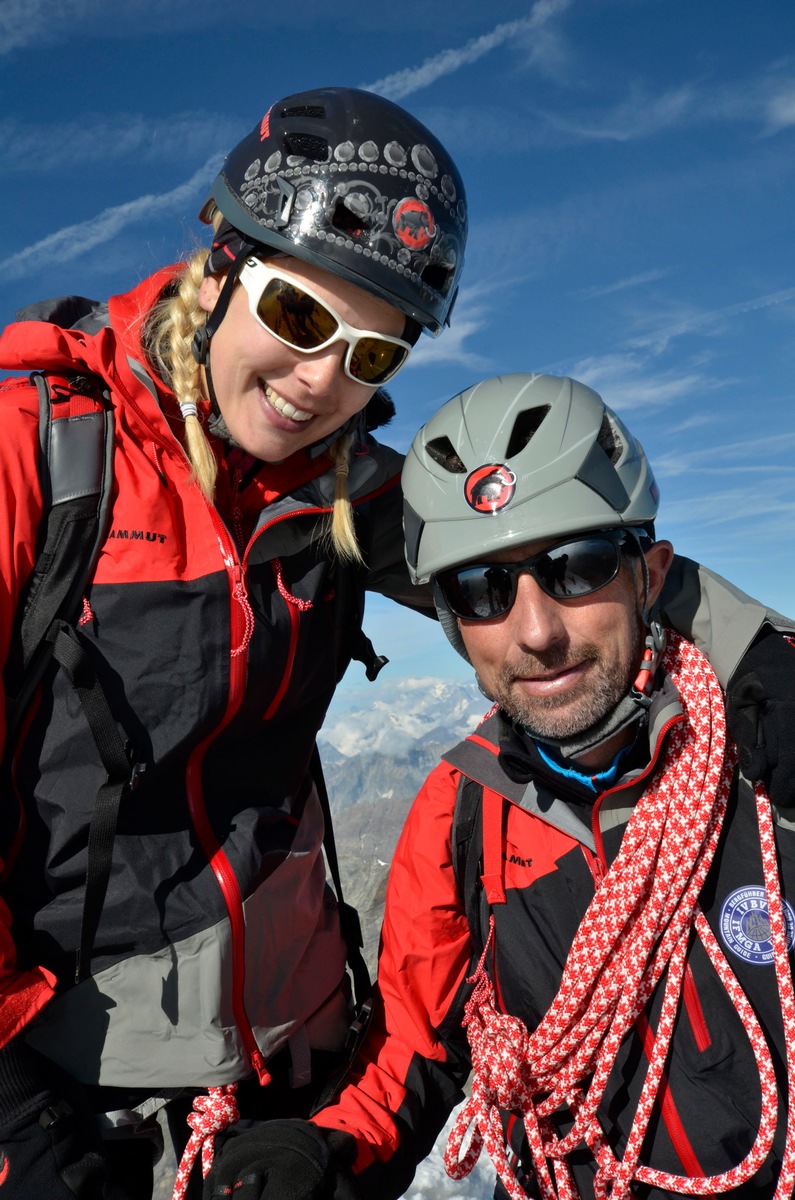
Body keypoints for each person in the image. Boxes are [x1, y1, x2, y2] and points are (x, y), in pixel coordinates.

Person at [0, 86, 468, 1199]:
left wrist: (751, 652)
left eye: (373, 357)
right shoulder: (41, 455)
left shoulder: (346, 493)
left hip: (289, 1078)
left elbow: (552, 554)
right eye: (303, 318)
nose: (323, 382)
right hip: (66, 1086)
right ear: (218, 273)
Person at [204, 373, 795, 1200]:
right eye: (479, 590)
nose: (535, 633)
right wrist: (326, 1149)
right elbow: (415, 1044)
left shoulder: (766, 753)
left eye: (578, 567)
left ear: (649, 573)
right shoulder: (460, 815)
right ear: (447, 621)